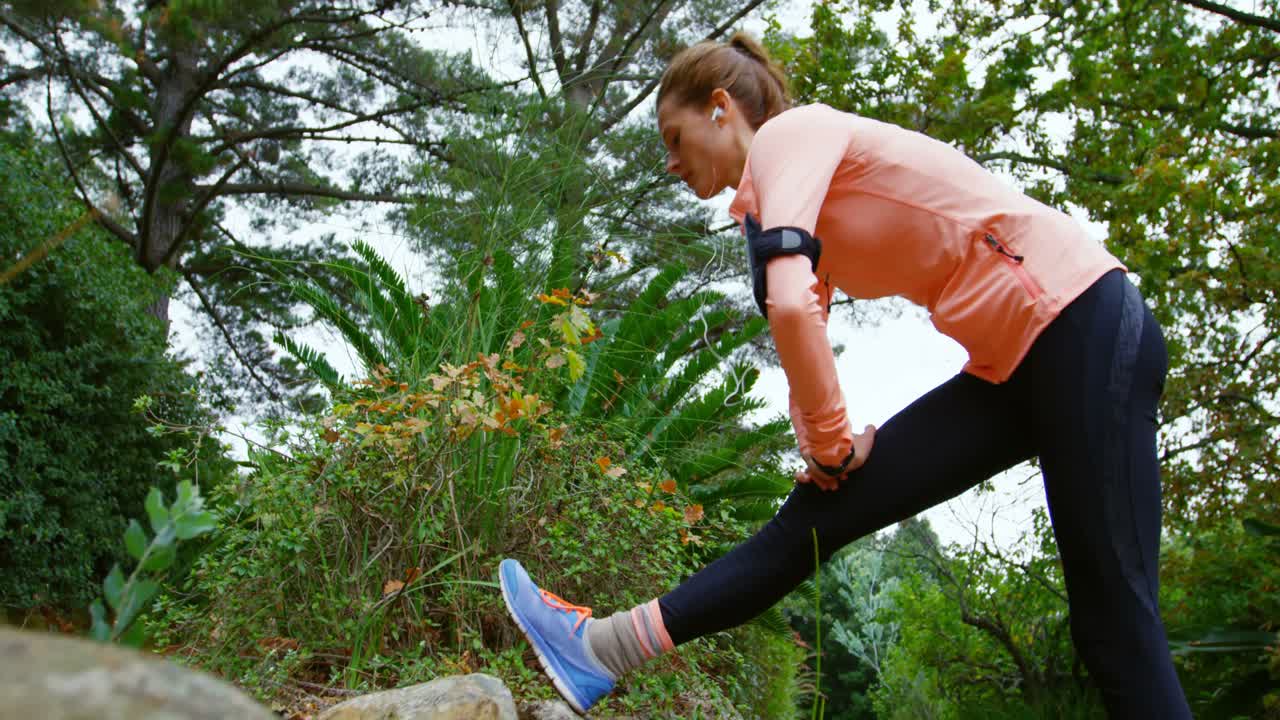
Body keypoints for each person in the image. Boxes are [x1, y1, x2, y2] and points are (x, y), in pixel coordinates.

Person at [498, 31, 1192, 718]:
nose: (671, 165)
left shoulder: (792, 136)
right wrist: (822, 454)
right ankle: (600, 650)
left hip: (1083, 320)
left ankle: (599, 648)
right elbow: (800, 325)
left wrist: (832, 442)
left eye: (674, 139)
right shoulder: (767, 210)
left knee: (1113, 620)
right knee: (818, 515)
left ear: (718, 107)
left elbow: (795, 304)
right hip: (1012, 367)